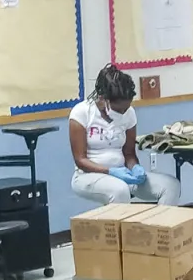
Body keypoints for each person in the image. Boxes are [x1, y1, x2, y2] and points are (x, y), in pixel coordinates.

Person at [68, 65, 181, 205]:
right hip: (87, 176)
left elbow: (129, 154)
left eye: (125, 109)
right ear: (103, 98)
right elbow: (80, 160)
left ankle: (160, 226)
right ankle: (120, 227)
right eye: (118, 109)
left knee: (171, 186)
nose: (123, 113)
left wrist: (135, 168)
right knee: (119, 190)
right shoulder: (82, 113)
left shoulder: (130, 114)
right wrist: (111, 171)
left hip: (123, 175)